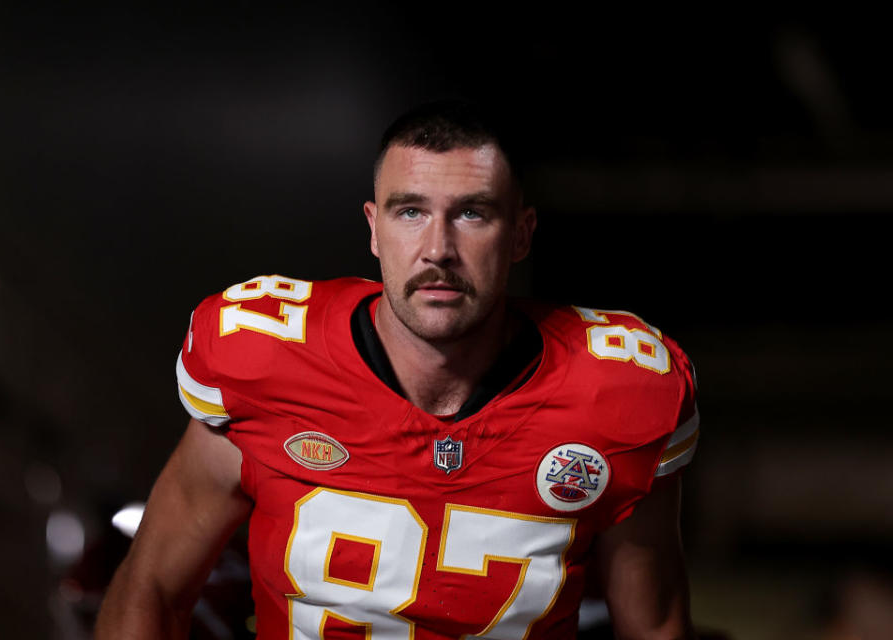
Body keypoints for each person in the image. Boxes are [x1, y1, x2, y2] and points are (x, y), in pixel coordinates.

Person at [95, 100, 700, 639]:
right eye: (410, 211)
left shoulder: (619, 393)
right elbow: (151, 587)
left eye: (472, 214)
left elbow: (654, 625)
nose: (437, 248)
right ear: (374, 229)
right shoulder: (265, 361)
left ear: (521, 234)